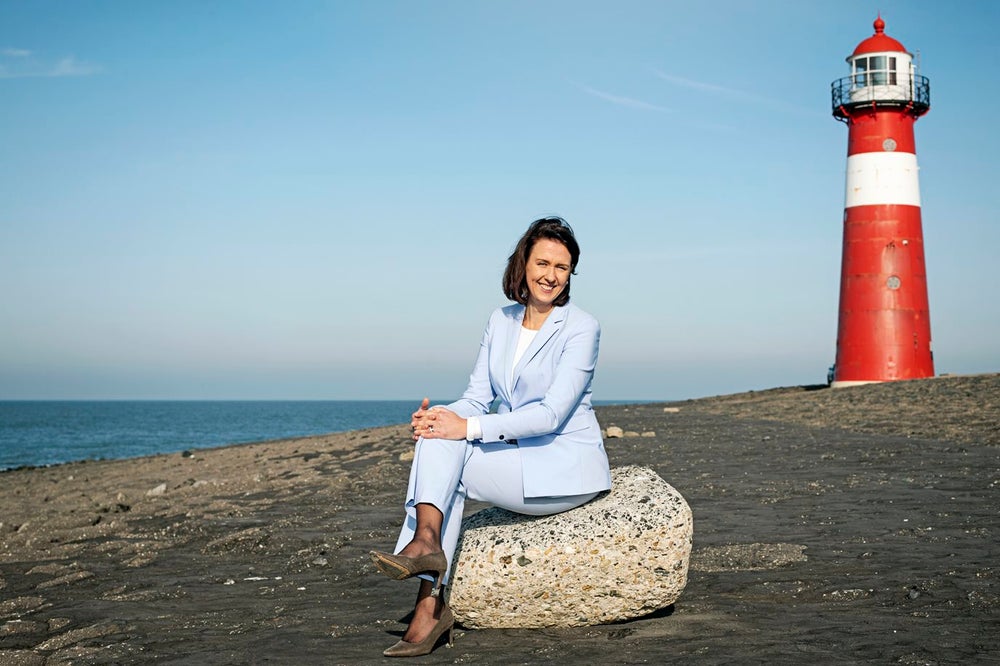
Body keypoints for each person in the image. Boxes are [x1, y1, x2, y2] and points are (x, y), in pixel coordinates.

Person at [369, 216, 612, 657]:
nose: (550, 275)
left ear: (570, 274)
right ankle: (426, 553)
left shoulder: (581, 327)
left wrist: (466, 429)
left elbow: (552, 414)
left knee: (452, 456)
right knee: (439, 438)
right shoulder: (500, 321)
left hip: (562, 468)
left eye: (562, 267)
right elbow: (477, 397)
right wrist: (439, 419)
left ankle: (427, 590)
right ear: (523, 263)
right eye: (542, 262)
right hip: (518, 458)